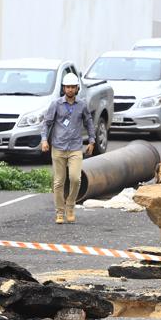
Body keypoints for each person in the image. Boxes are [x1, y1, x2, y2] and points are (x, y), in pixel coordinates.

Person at [40, 72, 94, 224]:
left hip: (75, 147)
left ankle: (70, 205)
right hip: (58, 148)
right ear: (63, 89)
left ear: (77, 88)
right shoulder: (56, 104)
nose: (70, 90)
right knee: (59, 182)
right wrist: (44, 140)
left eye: (72, 87)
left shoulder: (82, 105)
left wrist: (92, 140)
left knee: (75, 179)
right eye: (67, 87)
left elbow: (89, 122)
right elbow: (46, 123)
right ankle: (59, 211)